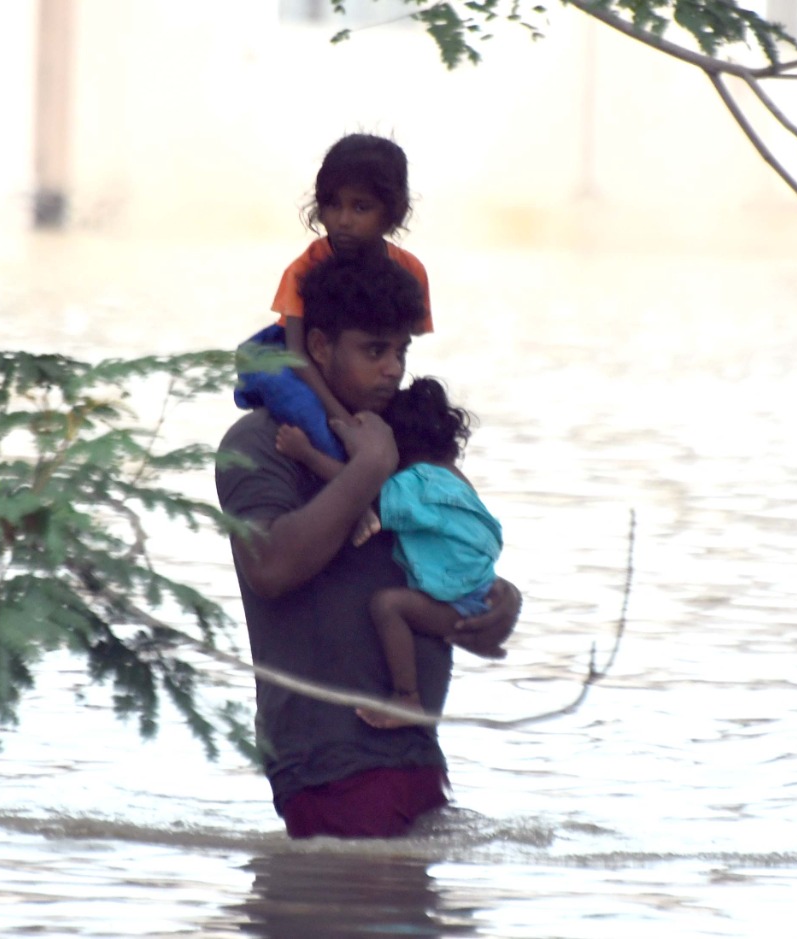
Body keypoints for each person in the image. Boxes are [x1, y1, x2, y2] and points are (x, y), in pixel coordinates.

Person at [216, 253, 518, 840]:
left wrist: (501, 601)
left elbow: (450, 551)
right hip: (331, 764)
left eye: (401, 353)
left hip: (415, 757)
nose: (391, 370)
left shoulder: (402, 440)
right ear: (321, 347)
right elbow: (272, 568)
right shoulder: (262, 444)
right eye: (374, 351)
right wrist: (369, 467)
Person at [276, 376, 504, 730]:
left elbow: (358, 486)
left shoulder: (418, 483)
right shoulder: (455, 480)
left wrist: (305, 453)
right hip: (481, 589)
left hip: (461, 602)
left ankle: (407, 697)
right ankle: (485, 645)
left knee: (387, 606)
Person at [235, 131, 432, 470]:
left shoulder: (408, 270)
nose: (342, 220)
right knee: (304, 410)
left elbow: (396, 347)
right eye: (332, 205)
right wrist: (340, 416)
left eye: (360, 207)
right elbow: (296, 354)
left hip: (357, 365)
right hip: (291, 358)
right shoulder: (303, 269)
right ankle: (346, 485)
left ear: (393, 212)